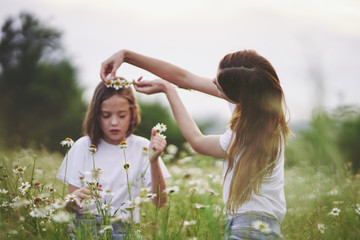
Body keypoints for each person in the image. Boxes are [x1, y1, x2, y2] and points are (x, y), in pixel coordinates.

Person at [100, 49, 290, 239]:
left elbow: (197, 142)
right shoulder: (262, 111)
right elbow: (185, 77)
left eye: (220, 83)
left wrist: (169, 90)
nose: (214, 82)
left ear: (239, 96)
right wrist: (126, 56)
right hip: (263, 227)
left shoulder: (246, 136)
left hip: (250, 229)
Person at [56, 81, 170, 239]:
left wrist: (154, 160)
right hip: (85, 226)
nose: (114, 122)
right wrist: (76, 198)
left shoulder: (143, 147)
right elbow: (69, 205)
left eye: (122, 115)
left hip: (123, 228)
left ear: (133, 112)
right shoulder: (83, 146)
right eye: (106, 115)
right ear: (96, 115)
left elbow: (160, 201)